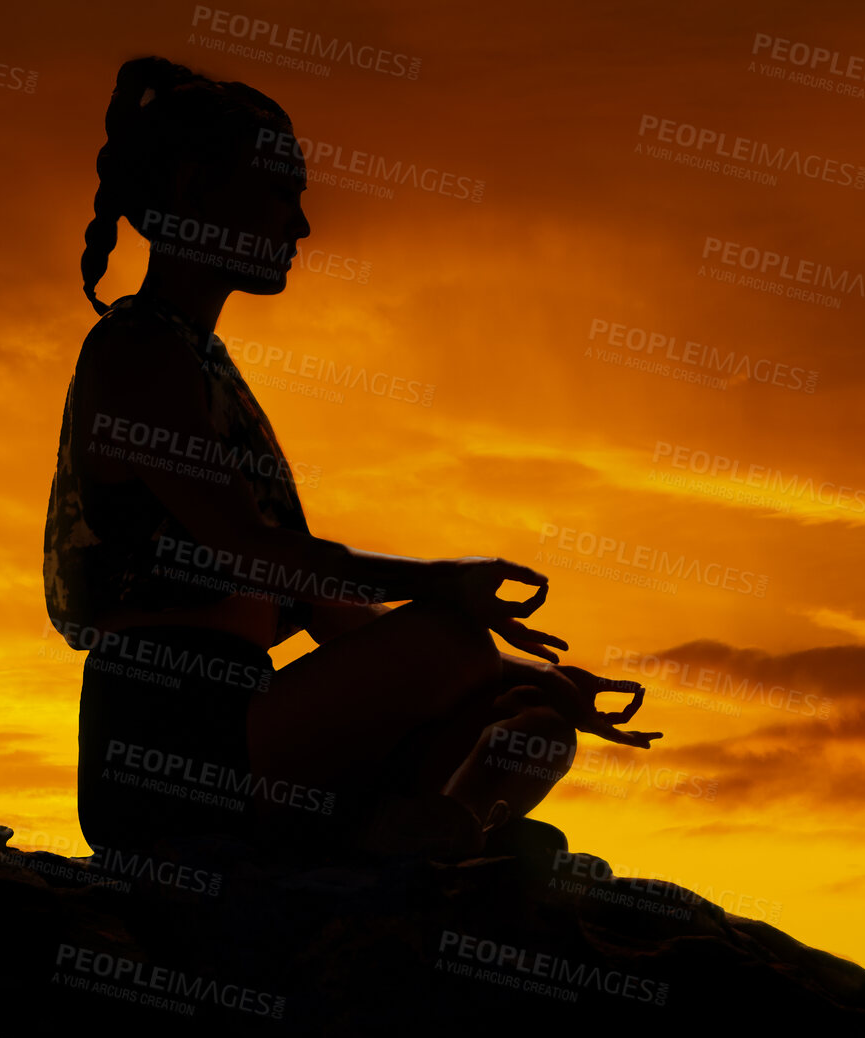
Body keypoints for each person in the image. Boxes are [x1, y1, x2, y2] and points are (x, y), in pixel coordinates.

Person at [43, 55, 657, 862]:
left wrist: (523, 674)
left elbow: (323, 607)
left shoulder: (203, 364)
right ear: (195, 190)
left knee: (533, 719)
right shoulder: (137, 354)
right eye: (279, 192)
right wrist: (438, 588)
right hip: (172, 731)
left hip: (256, 727)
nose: (298, 226)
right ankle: (416, 848)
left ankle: (431, 840)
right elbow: (251, 551)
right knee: (451, 645)